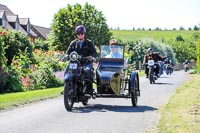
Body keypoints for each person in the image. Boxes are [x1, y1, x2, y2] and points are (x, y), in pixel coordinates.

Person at [63, 25, 97, 95]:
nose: (80, 35)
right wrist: (66, 57)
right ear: (76, 34)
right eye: (78, 34)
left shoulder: (89, 43)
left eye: (82, 33)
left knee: (88, 71)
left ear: (84, 34)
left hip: (86, 62)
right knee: (67, 71)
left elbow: (94, 52)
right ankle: (67, 88)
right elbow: (68, 52)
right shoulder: (73, 43)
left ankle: (88, 90)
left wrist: (93, 57)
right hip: (75, 62)